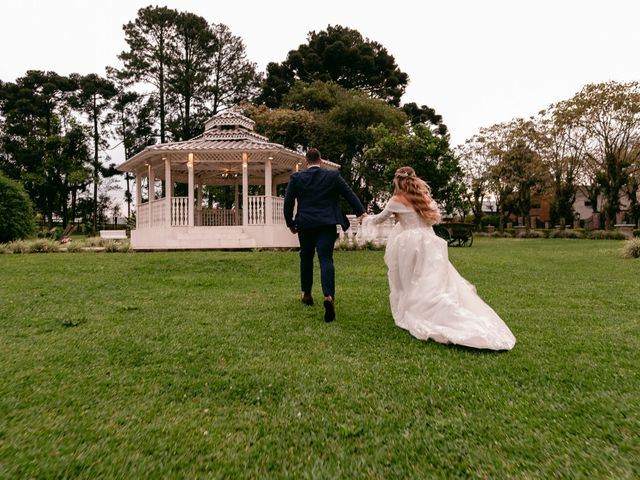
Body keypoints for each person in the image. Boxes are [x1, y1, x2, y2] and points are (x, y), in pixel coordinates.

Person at [362, 166, 516, 350]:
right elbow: (433, 220)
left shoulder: (396, 200)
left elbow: (380, 219)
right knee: (433, 280)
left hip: (410, 244)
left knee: (411, 280)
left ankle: (419, 312)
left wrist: (366, 218)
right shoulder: (425, 198)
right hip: (430, 243)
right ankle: (435, 308)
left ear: (397, 181)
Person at [284, 148, 367, 322]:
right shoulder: (332, 176)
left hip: (305, 224)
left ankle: (306, 294)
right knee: (326, 259)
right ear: (321, 161)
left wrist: (290, 223)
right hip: (327, 224)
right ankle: (329, 296)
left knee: (306, 257)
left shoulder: (297, 178)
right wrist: (361, 212)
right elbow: (349, 194)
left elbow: (288, 202)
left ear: (306, 163)